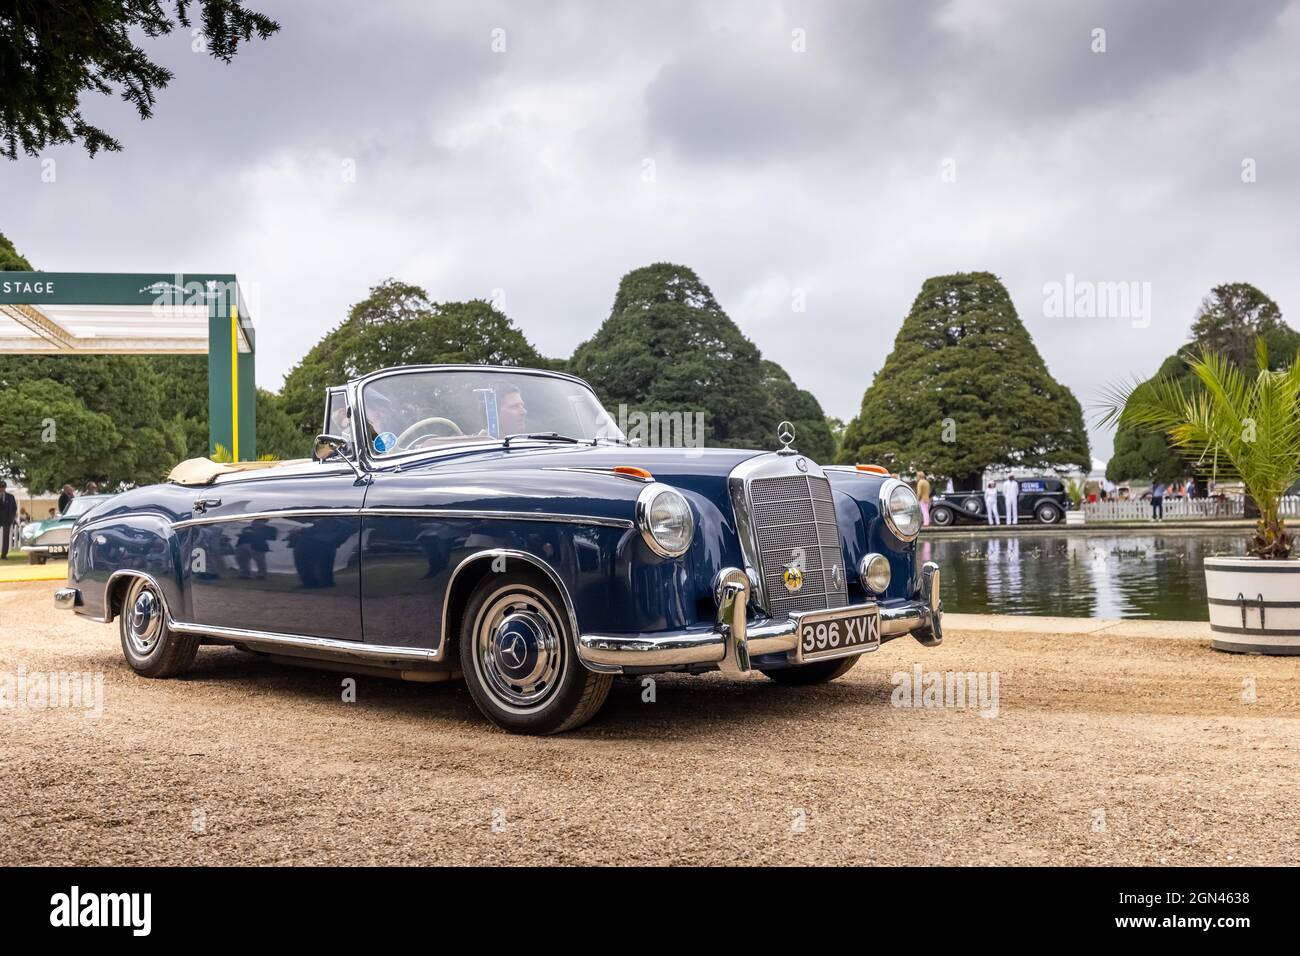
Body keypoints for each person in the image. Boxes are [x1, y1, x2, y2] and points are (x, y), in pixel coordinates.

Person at [0, 481, 16, 559]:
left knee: (6, 537)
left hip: (7, 519)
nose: (1, 488)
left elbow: (14, 508)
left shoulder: (10, 497)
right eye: (0, 486)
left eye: (3, 486)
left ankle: (4, 554)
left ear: (5, 487)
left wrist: (11, 518)